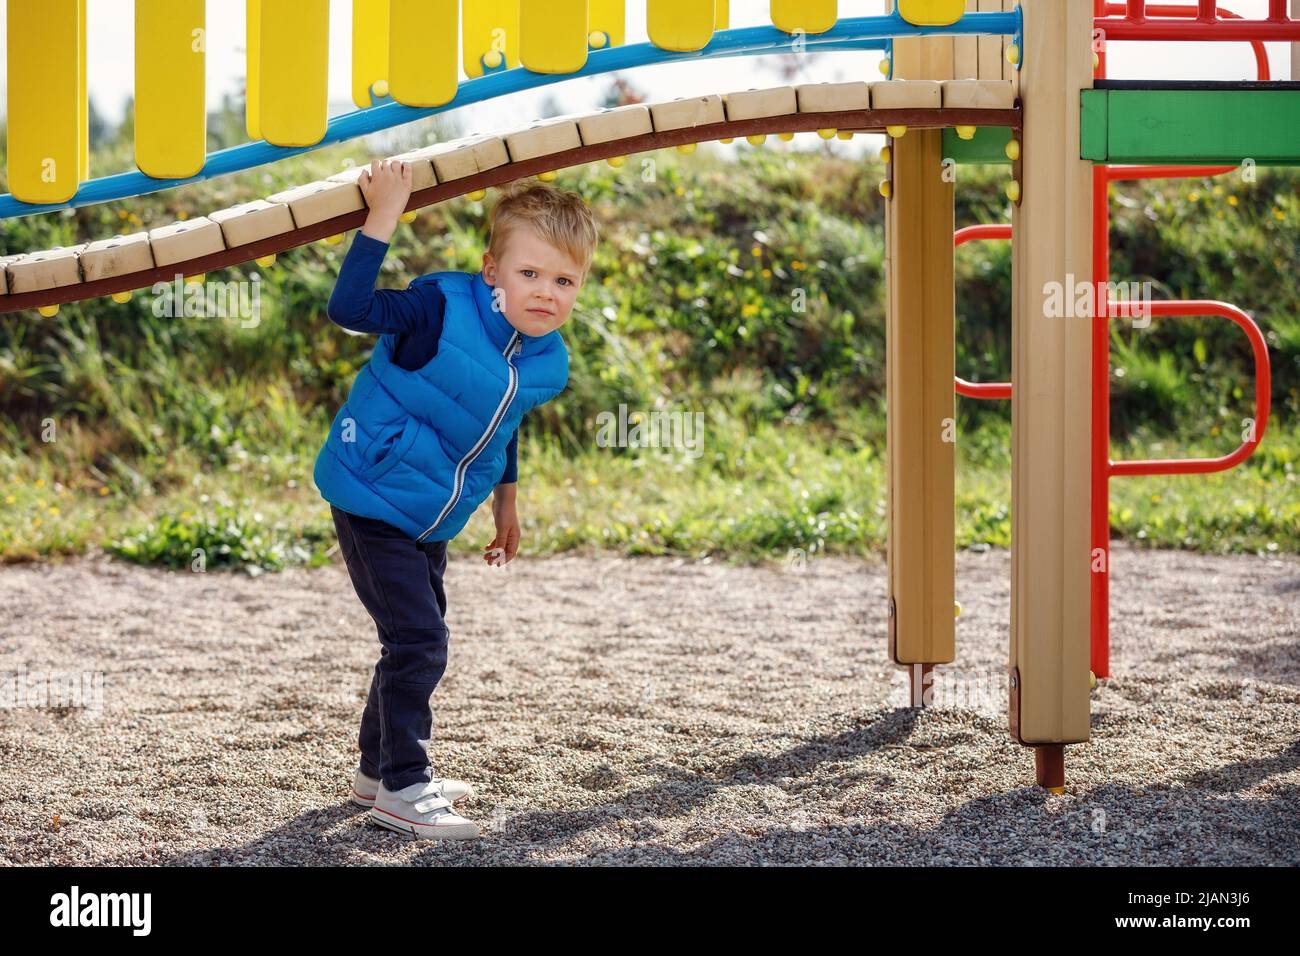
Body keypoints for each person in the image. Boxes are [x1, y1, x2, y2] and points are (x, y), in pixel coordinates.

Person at [313, 159, 598, 839]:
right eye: (530, 274)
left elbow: (504, 421)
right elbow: (348, 309)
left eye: (565, 281)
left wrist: (508, 504)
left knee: (411, 638)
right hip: (372, 496)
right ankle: (405, 789)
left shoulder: (541, 356)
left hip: (430, 516)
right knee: (420, 641)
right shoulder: (438, 309)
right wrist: (385, 213)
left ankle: (377, 773)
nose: (546, 293)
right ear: (492, 270)